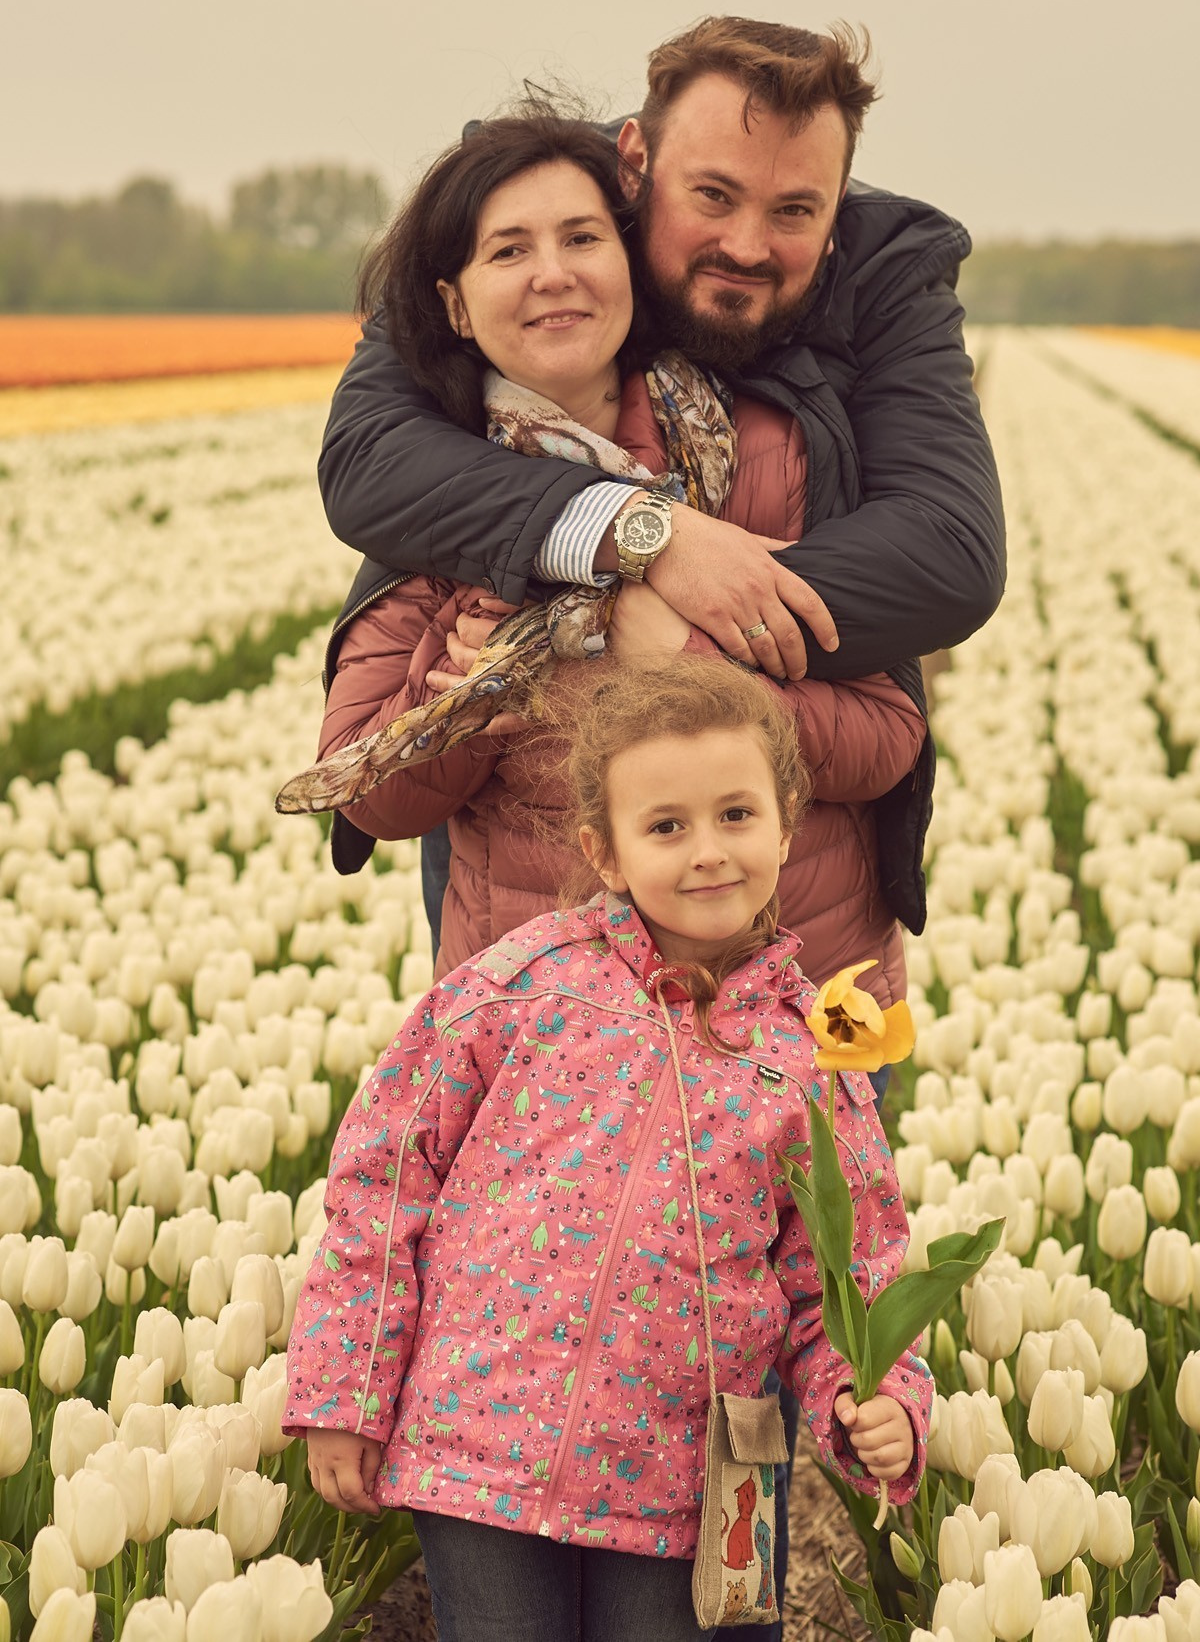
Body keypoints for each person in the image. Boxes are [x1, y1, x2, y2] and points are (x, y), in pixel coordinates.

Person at [285, 654, 932, 1642]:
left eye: (736, 814)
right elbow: (384, 1170)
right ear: (607, 847)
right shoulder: (523, 986)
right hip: (481, 1448)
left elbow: (848, 1271)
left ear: (787, 824)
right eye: (666, 826)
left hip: (685, 1478)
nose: (707, 850)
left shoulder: (812, 1053)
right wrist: (348, 1386)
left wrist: (872, 1397)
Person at [313, 109, 926, 1023]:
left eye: (582, 237)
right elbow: (372, 796)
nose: (552, 273)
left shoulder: (768, 452)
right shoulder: (435, 499)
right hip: (548, 1045)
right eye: (508, 250)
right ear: (453, 302)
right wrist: (476, 701)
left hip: (787, 1017)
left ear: (629, 261)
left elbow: (884, 740)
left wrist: (683, 661)